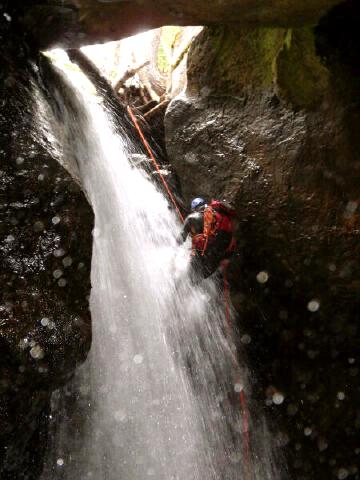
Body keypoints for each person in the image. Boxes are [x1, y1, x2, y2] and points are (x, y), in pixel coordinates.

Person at [179, 197, 236, 280]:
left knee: (186, 280)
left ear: (195, 208)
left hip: (202, 255)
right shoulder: (219, 218)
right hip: (215, 261)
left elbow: (180, 238)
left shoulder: (192, 218)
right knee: (194, 281)